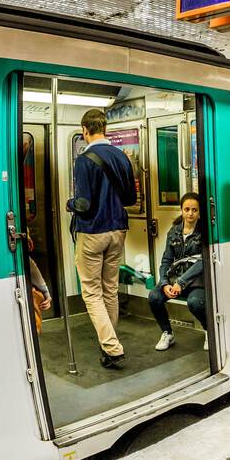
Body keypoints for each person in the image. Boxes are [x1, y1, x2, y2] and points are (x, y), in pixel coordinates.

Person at [67, 108, 136, 369]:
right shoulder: (122, 157)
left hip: (93, 231)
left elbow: (83, 204)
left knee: (92, 292)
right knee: (110, 289)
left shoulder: (84, 160)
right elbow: (130, 199)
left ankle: (112, 347)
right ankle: (108, 346)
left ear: (85, 130)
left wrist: (69, 203)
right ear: (104, 128)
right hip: (118, 230)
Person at [148, 192, 208, 352]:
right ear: (181, 210)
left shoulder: (205, 231)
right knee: (154, 297)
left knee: (195, 303)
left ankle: (209, 330)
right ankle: (167, 333)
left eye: (194, 210)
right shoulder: (174, 232)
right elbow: (166, 260)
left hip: (197, 281)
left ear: (199, 211)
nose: (190, 213)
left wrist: (181, 282)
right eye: (187, 209)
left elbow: (203, 261)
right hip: (175, 280)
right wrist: (164, 283)